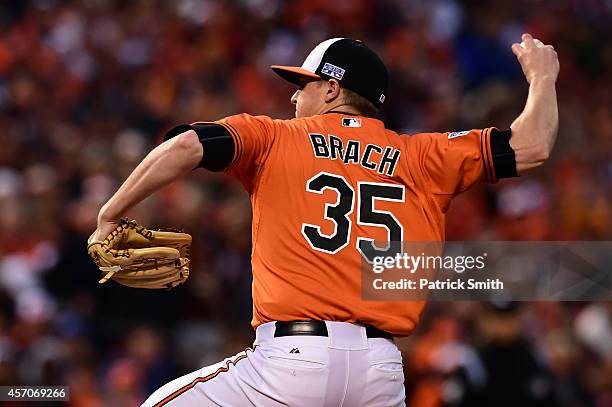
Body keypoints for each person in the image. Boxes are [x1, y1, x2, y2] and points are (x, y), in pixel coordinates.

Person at [91, 34, 559, 406]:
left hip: (292, 361)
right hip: (381, 371)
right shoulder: (422, 156)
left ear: (332, 88)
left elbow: (189, 146)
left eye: (303, 86)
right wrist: (543, 78)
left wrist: (111, 212)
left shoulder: (275, 138)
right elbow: (531, 147)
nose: (294, 99)